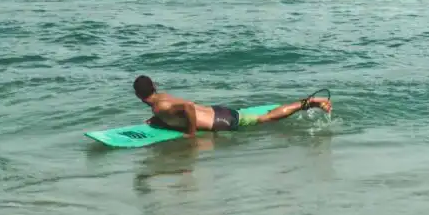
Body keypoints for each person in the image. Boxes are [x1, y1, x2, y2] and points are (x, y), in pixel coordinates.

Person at [133, 75, 331, 137]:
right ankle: (309, 103)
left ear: (138, 95)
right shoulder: (161, 99)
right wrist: (157, 119)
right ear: (154, 87)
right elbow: (173, 110)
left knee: (267, 118)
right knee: (263, 116)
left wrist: (191, 134)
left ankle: (312, 102)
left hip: (223, 121)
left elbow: (188, 107)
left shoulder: (160, 107)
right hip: (218, 112)